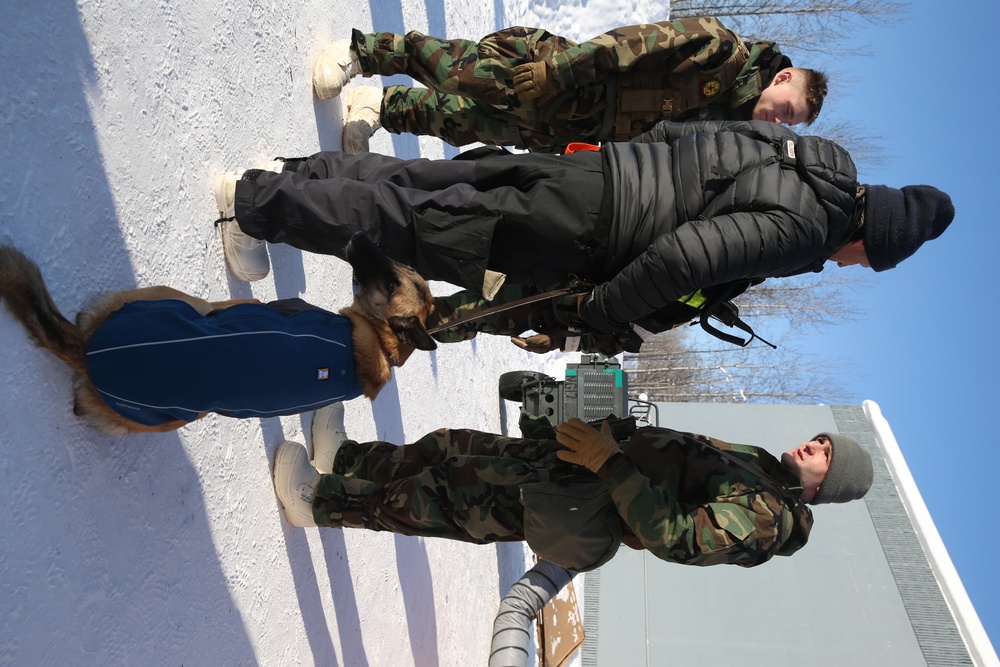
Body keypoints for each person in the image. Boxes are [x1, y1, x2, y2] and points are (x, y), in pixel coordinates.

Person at [214, 120, 955, 341]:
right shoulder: (806, 226)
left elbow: (682, 130)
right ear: (872, 237)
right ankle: (254, 204)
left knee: (438, 182)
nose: (852, 266)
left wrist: (625, 162)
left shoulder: (806, 152)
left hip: (595, 174)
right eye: (866, 261)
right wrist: (598, 311)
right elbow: (684, 257)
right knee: (418, 229)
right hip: (585, 229)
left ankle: (296, 172)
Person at [272, 403, 874, 569]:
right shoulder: (758, 464)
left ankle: (317, 502)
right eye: (820, 440)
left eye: (825, 456)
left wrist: (611, 463)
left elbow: (676, 536)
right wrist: (581, 414)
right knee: (450, 447)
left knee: (443, 497)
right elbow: (663, 452)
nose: (813, 447)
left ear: (823, 490)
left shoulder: (768, 518)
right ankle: (346, 458)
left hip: (579, 499)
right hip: (576, 461)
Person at [312, 19, 829, 153]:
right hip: (564, 78)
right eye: (789, 109)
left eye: (791, 124)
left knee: (467, 124)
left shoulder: (725, 126)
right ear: (782, 78)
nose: (782, 122)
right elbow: (635, 43)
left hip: (576, 128)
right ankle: (363, 52)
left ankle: (384, 108)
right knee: (460, 71)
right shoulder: (721, 49)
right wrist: (557, 70)